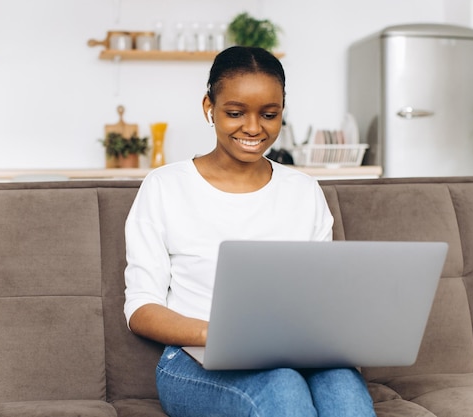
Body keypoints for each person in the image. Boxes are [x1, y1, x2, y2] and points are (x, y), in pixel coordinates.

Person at [123, 45, 376, 417]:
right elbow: (141, 309)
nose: (254, 128)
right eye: (235, 113)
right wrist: (223, 335)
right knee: (282, 387)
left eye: (269, 114)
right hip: (194, 360)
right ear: (209, 107)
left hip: (293, 352)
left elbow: (319, 300)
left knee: (343, 388)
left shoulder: (304, 192)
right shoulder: (164, 187)